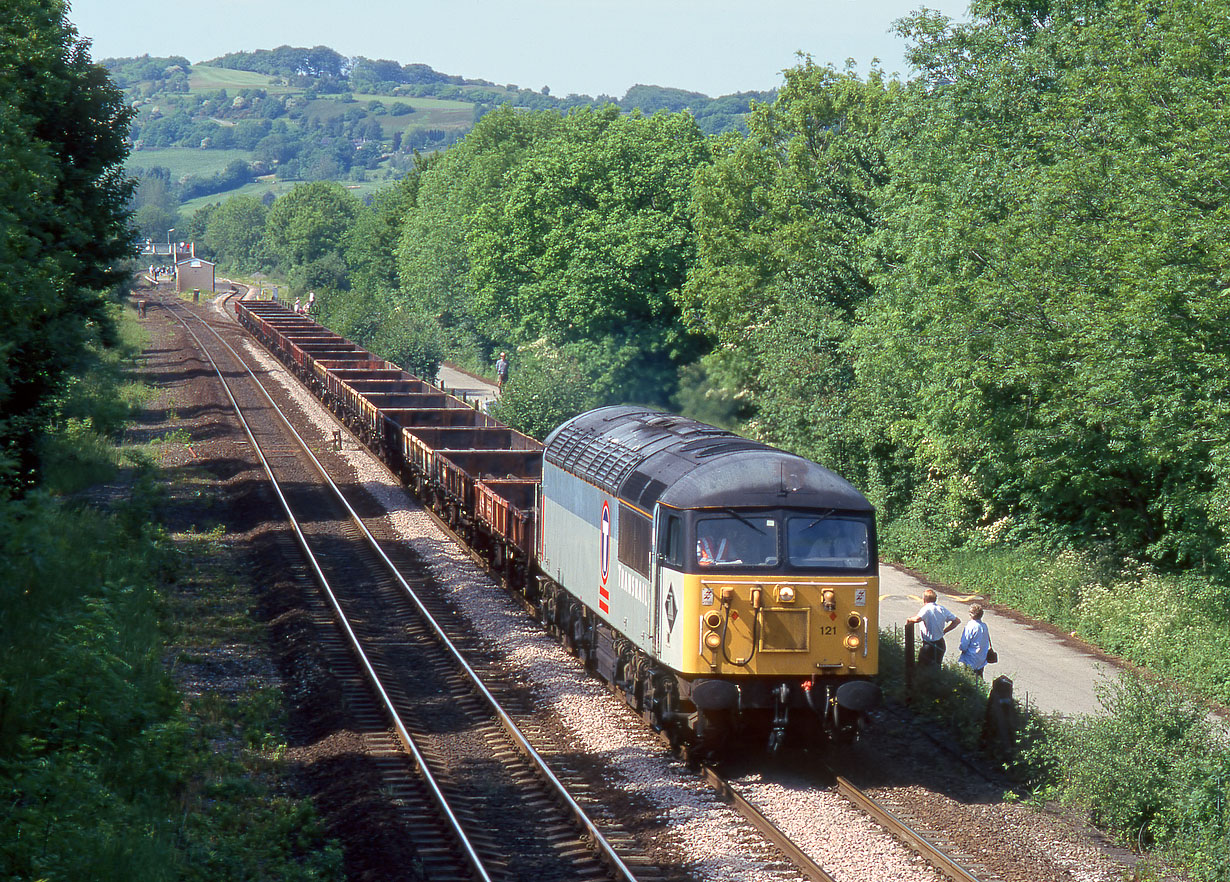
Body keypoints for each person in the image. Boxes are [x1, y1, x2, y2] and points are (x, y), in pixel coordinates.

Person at [907, 588, 960, 666]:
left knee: (922, 666)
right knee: (937, 667)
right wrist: (944, 631)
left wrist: (910, 619)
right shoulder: (941, 609)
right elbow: (957, 621)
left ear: (924, 599)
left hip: (929, 645)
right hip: (940, 643)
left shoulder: (926, 608)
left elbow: (917, 619)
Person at [958, 603, 992, 678]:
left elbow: (964, 644)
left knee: (969, 678)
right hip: (982, 658)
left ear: (971, 614)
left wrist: (961, 648)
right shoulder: (984, 626)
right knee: (979, 677)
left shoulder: (970, 626)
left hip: (970, 658)